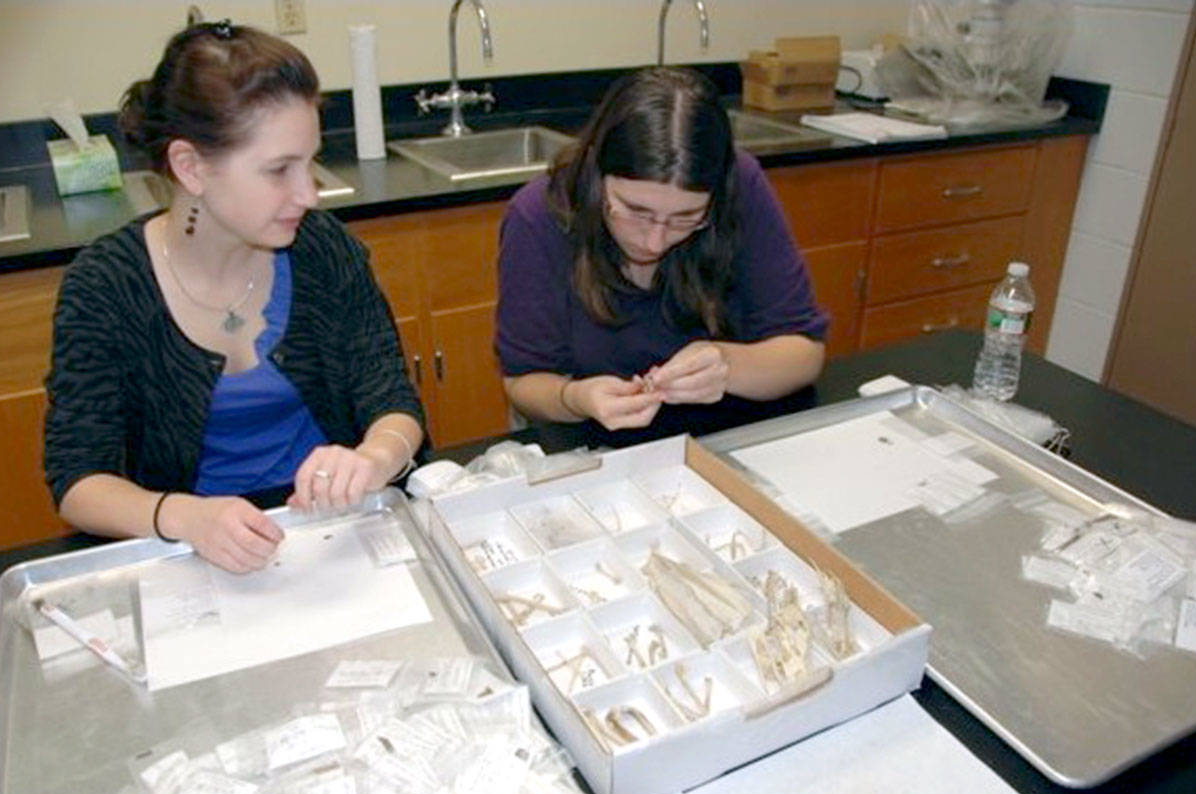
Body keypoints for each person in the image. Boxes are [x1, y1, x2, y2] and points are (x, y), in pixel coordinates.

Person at [43, 21, 425, 573]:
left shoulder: (322, 249)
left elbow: (392, 399)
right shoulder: (106, 286)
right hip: (194, 552)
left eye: (310, 162)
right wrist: (183, 517)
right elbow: (78, 479)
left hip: (335, 536)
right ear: (191, 167)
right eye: (279, 170)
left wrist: (374, 457)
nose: (309, 193)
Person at [496, 67, 828, 447]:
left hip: (725, 438)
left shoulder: (742, 185)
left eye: (686, 218)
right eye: (635, 211)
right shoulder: (539, 216)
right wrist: (577, 399)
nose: (654, 242)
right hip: (589, 447)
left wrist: (725, 364)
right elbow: (523, 382)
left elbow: (804, 355)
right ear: (595, 170)